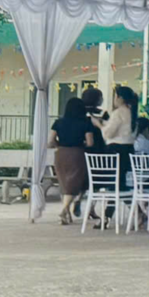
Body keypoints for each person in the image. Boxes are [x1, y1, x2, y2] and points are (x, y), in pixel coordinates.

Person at [48, 94, 100, 224]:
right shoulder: (86, 123)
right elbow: (90, 143)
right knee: (74, 184)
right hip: (77, 154)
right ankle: (64, 210)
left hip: (61, 154)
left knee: (65, 183)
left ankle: (66, 215)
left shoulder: (58, 122)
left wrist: (59, 145)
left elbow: (50, 141)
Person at [103, 84, 139, 190]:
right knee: (121, 182)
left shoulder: (118, 113)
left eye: (115, 96)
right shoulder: (132, 112)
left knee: (114, 183)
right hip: (128, 149)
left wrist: (100, 125)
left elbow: (108, 133)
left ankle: (113, 198)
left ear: (120, 98)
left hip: (115, 150)